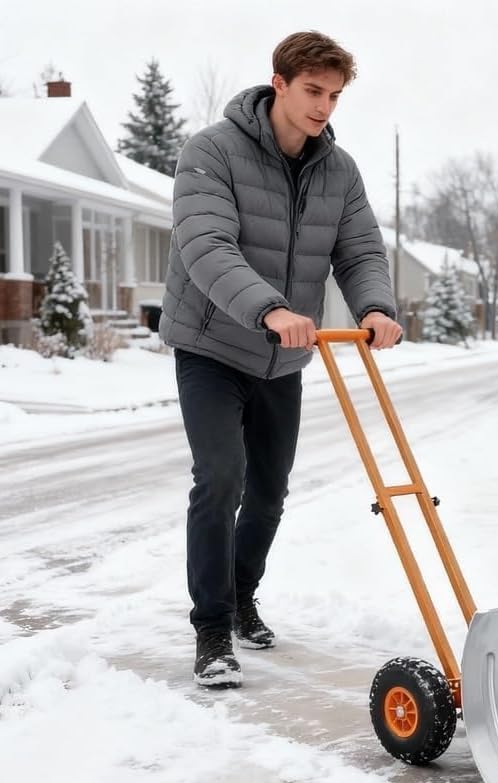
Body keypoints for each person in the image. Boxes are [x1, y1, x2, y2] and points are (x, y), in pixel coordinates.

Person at [159, 31, 402, 688]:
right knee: (220, 479)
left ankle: (242, 598)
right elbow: (208, 247)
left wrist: (374, 308)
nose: (324, 106)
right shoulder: (211, 152)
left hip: (283, 360)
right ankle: (211, 631)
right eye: (313, 91)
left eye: (334, 95)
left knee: (267, 494)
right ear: (280, 81)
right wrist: (268, 308)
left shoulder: (338, 170)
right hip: (212, 344)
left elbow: (358, 252)